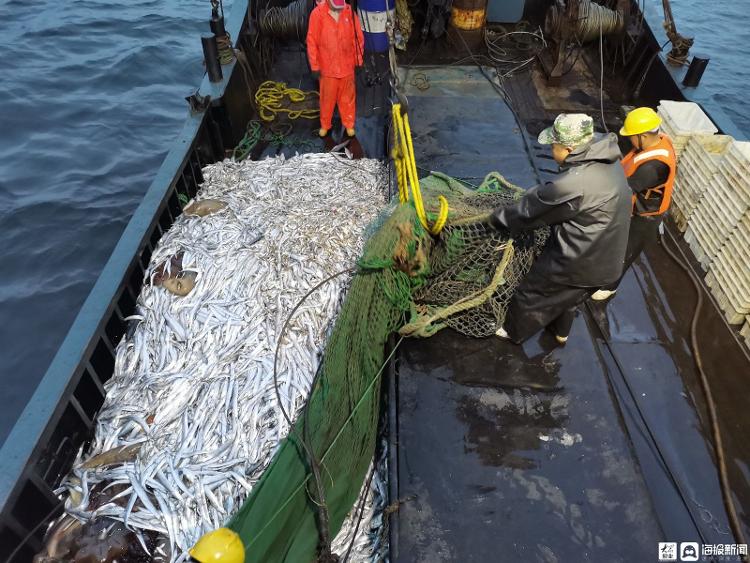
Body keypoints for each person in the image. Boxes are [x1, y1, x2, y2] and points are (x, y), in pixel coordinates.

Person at [493, 113, 632, 344]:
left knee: (533, 292)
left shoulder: (574, 183)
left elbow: (531, 211)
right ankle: (560, 334)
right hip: (608, 261)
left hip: (580, 262)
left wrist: (495, 219)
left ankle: (512, 332)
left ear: (568, 149)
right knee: (569, 297)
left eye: (553, 146)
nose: (551, 151)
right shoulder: (607, 158)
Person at [591, 106, 677, 300]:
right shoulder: (656, 142)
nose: (629, 140)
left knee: (625, 250)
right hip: (635, 207)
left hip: (645, 217)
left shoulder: (653, 167)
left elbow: (624, 188)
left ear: (644, 136)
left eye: (631, 136)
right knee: (614, 243)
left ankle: (608, 287)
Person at [306, 0, 364, 151]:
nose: (340, 10)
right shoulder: (317, 15)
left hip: (347, 67)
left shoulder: (349, 12)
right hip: (327, 69)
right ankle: (325, 125)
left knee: (348, 99)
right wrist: (315, 66)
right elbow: (312, 42)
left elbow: (358, 38)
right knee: (327, 99)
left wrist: (358, 61)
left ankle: (349, 124)